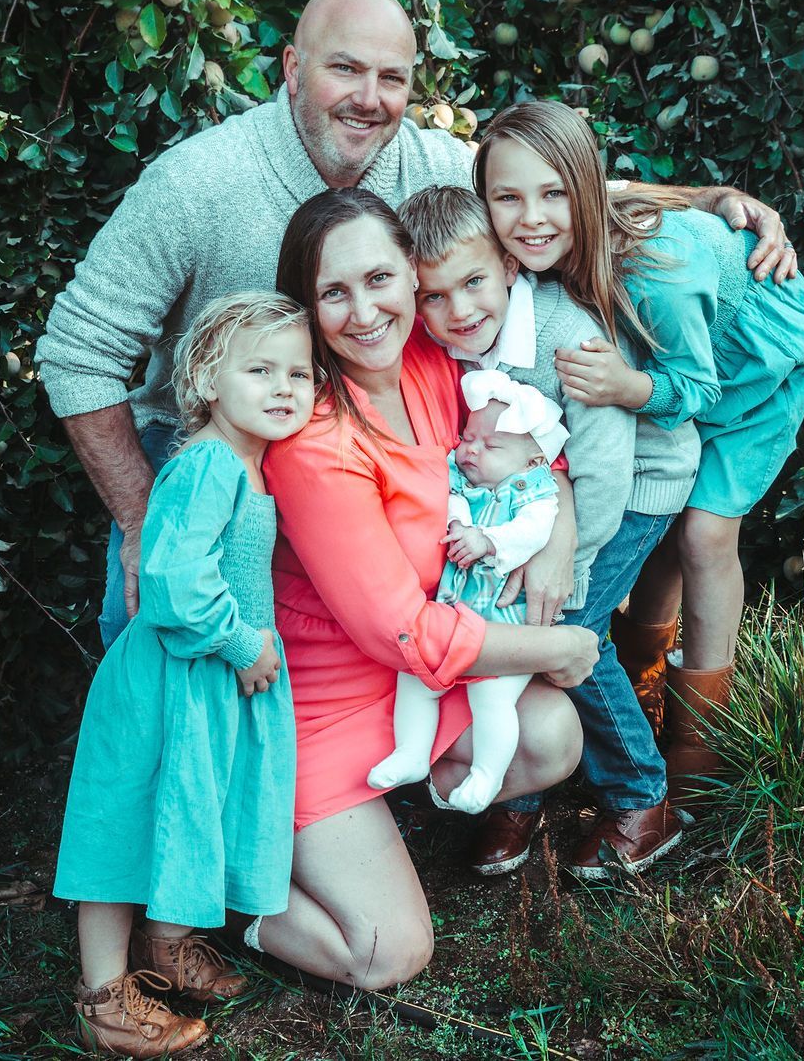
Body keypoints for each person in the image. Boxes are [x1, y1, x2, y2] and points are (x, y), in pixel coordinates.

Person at [35, 0, 798, 650]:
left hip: (380, 436)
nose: (369, 97)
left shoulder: (425, 163)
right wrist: (141, 517)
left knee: (371, 642)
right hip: (213, 450)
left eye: (392, 78)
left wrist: (705, 202)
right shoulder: (197, 185)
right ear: (293, 69)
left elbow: (552, 188)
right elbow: (77, 353)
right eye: (345, 69)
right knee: (163, 632)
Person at [242, 188, 598, 990]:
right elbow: (400, 631)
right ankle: (229, 897)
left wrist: (558, 535)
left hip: (415, 688)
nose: (365, 312)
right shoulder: (315, 442)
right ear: (307, 307)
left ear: (411, 272)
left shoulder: (436, 366)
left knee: (550, 736)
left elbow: (534, 451)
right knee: (388, 954)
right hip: (325, 704)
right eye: (334, 293)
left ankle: (388, 811)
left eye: (378, 279)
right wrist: (559, 645)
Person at [474, 102, 804, 813]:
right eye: (507, 198)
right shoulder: (544, 225)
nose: (531, 216)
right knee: (664, 522)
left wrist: (630, 388)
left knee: (702, 532)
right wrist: (720, 198)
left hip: (760, 361)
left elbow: (698, 387)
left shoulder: (655, 273)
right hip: (682, 355)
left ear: (580, 189)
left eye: (552, 195)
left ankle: (698, 748)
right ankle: (639, 684)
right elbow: (650, 194)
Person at [402, 186, 695, 877]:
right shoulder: (455, 344)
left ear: (508, 266)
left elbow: (603, 467)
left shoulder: (565, 337)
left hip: (633, 486)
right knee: (516, 618)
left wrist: (560, 563)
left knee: (568, 620)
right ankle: (521, 795)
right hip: (533, 499)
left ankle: (642, 798)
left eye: (473, 283)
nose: (458, 311)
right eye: (434, 296)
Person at [53, 292, 316, 1057]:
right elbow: (172, 580)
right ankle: (103, 1000)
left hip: (201, 683)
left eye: (299, 373)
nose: (283, 387)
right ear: (204, 379)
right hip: (167, 680)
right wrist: (240, 644)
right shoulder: (208, 465)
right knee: (127, 820)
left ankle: (167, 946)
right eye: (260, 370)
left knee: (193, 807)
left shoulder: (246, 464)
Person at [368, 370, 570, 815]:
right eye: (468, 438)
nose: (472, 450)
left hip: (508, 624)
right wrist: (458, 522)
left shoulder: (533, 490)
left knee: (491, 698)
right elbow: (450, 499)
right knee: (416, 679)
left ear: (533, 461)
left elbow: (535, 531)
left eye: (491, 446)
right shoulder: (463, 480)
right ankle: (411, 754)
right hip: (454, 617)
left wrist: (490, 541)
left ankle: (486, 774)